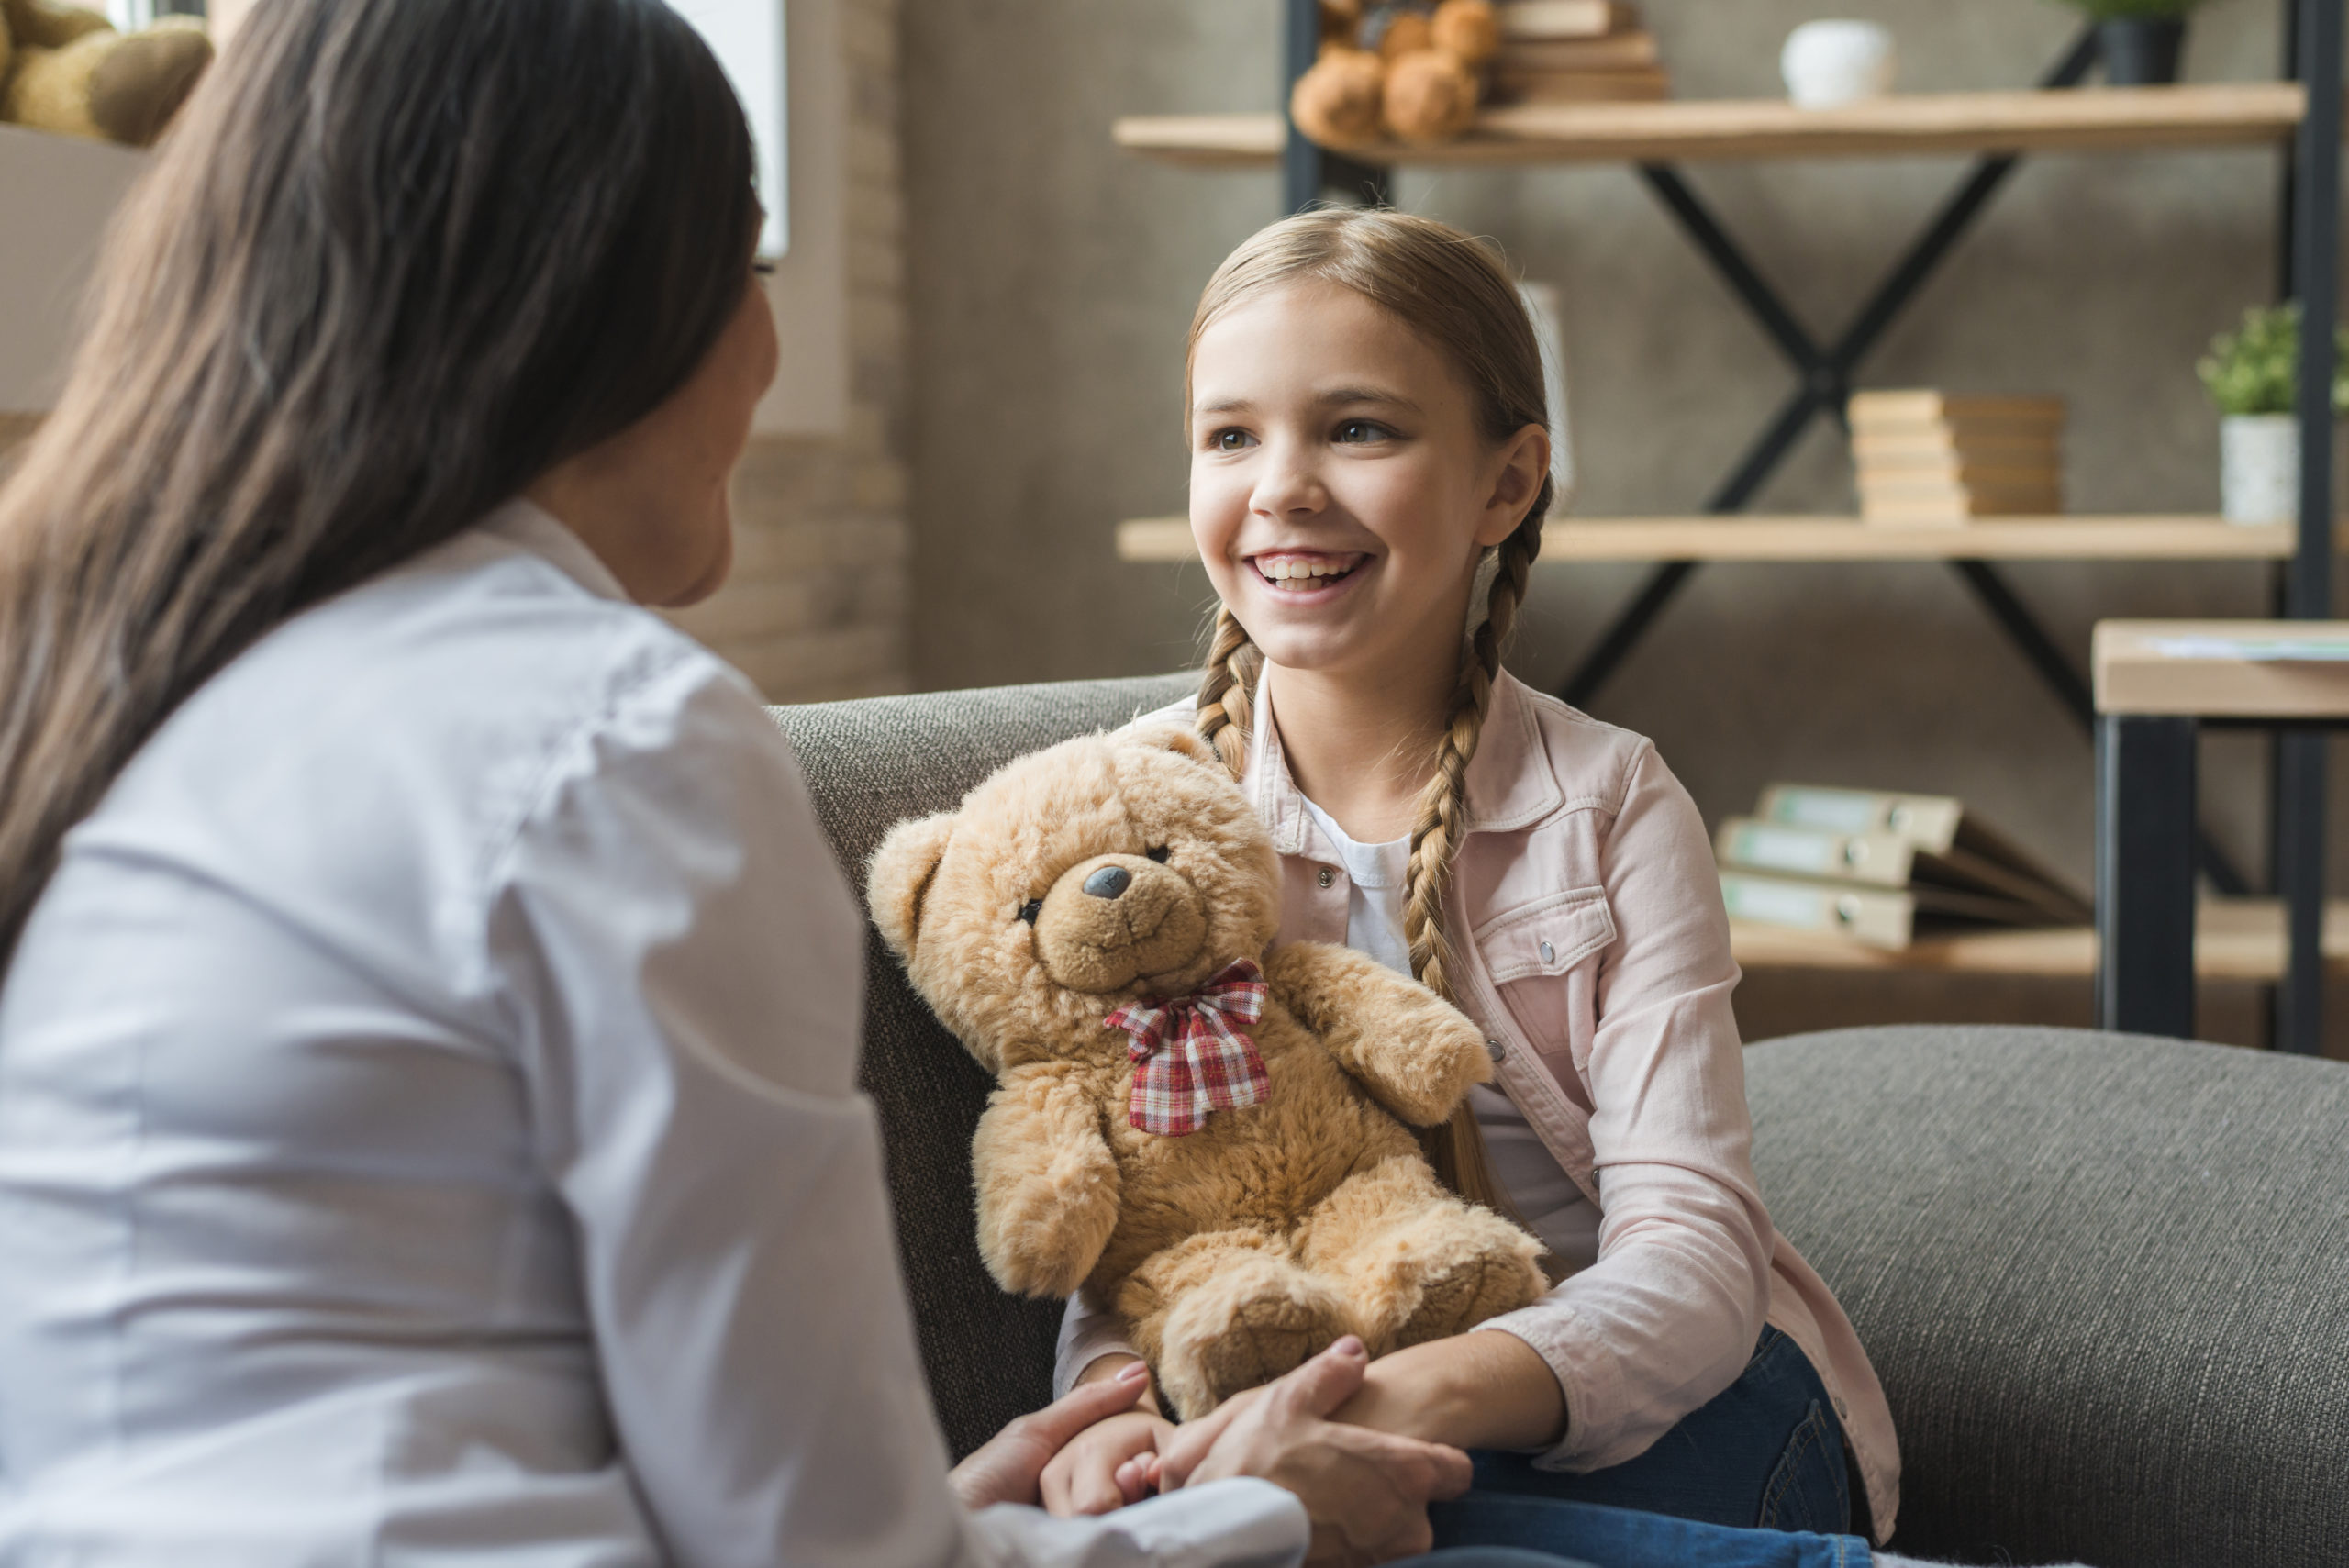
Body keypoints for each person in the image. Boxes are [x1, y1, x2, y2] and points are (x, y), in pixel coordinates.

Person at [0, 2, 1533, 1562]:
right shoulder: (607, 740)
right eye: (750, 264)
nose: (770, 339)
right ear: (603, 303)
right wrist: (1257, 1513)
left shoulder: (154, 701)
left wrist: (939, 1508)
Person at [1041, 209, 1901, 1552]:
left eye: (1358, 429)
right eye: (1230, 435)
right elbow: (1129, 1219)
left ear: (1507, 485)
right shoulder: (1124, 823)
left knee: (1415, 1525)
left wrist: (1378, 1406)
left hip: (1654, 1393)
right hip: (1283, 1411)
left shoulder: (1614, 803)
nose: (1281, 485)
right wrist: (1108, 1414)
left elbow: (1690, 1259)